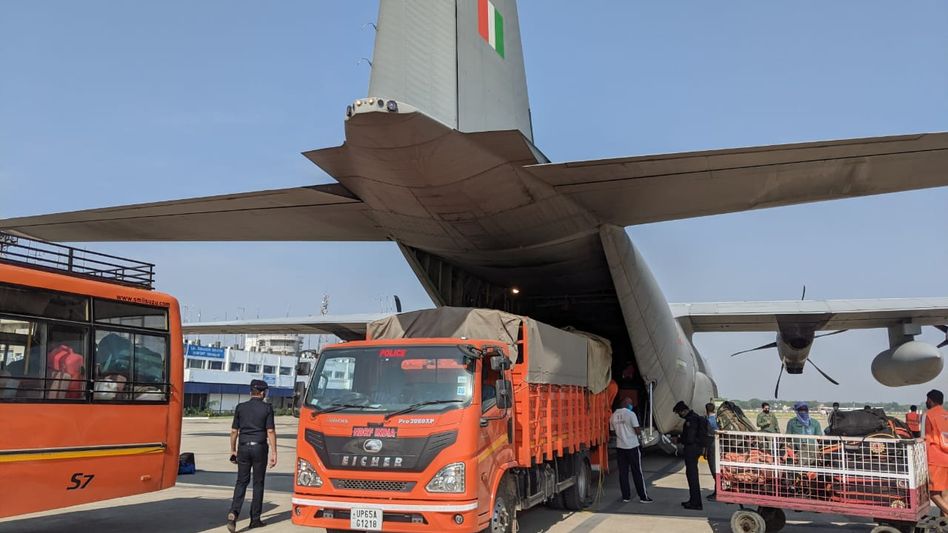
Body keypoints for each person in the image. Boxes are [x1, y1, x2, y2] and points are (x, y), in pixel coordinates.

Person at [227, 379, 277, 532]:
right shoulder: (267, 408)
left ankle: (233, 513)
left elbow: (234, 431)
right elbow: (270, 431)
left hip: (243, 447)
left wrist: (233, 450)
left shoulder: (240, 407)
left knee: (241, 481)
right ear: (262, 393)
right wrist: (274, 452)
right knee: (258, 483)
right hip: (259, 448)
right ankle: (255, 519)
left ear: (251, 392)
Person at [610, 398, 653, 503]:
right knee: (637, 472)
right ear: (626, 404)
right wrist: (640, 434)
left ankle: (626, 496)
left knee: (623, 473)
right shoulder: (631, 414)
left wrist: (622, 434)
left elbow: (612, 431)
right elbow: (637, 430)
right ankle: (643, 497)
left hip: (620, 447)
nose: (632, 406)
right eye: (631, 403)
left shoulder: (613, 416)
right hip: (632, 446)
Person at [674, 400, 706, 510]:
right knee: (692, 475)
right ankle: (693, 500)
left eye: (679, 413)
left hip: (691, 450)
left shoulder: (691, 420)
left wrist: (679, 439)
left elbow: (690, 438)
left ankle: (696, 503)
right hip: (695, 449)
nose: (679, 415)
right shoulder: (694, 417)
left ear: (684, 411)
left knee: (692, 477)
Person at [923, 389, 948, 515]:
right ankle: (944, 522)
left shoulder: (928, 415)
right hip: (947, 457)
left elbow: (924, 439)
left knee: (933, 493)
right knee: (944, 493)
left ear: (930, 400)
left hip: (935, 459)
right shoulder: (946, 414)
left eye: (927, 399)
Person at [704, 402, 718, 501]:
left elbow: (708, 435)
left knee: (714, 469)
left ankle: (717, 492)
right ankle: (717, 491)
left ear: (706, 410)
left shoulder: (708, 420)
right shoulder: (717, 419)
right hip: (719, 445)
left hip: (712, 446)